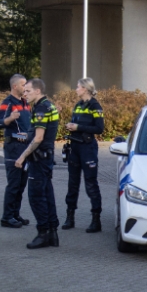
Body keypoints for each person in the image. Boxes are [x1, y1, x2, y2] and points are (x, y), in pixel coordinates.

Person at [15, 78, 60, 249]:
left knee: (36, 197)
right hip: (46, 157)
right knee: (47, 193)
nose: (24, 94)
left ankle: (43, 233)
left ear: (37, 91)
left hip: (39, 159)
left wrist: (22, 157)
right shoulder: (50, 105)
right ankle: (52, 232)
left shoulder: (40, 108)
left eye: (27, 91)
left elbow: (39, 137)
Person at [62, 77, 105, 233]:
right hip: (75, 146)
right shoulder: (78, 105)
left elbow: (99, 128)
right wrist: (70, 126)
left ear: (85, 89)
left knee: (91, 184)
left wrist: (78, 126)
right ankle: (70, 217)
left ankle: (96, 220)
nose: (76, 89)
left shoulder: (95, 106)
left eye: (78, 87)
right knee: (72, 184)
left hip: (87, 148)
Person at [0, 74, 31, 228]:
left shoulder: (26, 103)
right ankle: (7, 217)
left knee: (22, 183)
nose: (26, 87)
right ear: (15, 86)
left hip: (25, 147)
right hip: (13, 147)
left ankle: (15, 214)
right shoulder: (7, 103)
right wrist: (10, 118)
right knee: (14, 183)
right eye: (23, 85)